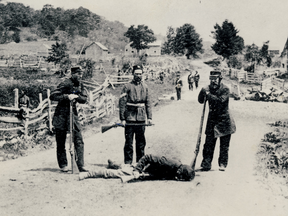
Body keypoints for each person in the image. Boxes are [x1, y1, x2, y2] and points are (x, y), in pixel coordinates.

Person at [50, 66, 88, 172]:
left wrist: (76, 97)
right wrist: (67, 97)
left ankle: (80, 165)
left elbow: (84, 99)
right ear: (73, 74)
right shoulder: (65, 83)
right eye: (78, 74)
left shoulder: (80, 84)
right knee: (61, 141)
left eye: (81, 74)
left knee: (79, 139)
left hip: (73, 114)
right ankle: (63, 165)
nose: (80, 76)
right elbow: (53, 96)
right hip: (61, 114)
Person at [198, 71, 236, 171]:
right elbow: (201, 101)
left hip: (224, 121)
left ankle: (222, 164)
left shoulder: (225, 89)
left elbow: (219, 102)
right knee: (208, 144)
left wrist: (208, 94)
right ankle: (206, 163)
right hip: (212, 121)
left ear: (220, 79)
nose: (213, 81)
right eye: (211, 79)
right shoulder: (208, 89)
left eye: (215, 79)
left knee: (224, 145)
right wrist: (202, 91)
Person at [119, 65, 152, 164]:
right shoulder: (127, 86)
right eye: (136, 73)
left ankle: (140, 163)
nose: (138, 75)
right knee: (129, 142)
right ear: (133, 74)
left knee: (141, 142)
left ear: (142, 74)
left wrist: (149, 117)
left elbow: (148, 103)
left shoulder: (145, 87)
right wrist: (122, 118)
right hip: (130, 117)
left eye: (140, 74)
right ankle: (128, 163)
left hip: (141, 118)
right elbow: (122, 103)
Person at [79, 154, 195, 182]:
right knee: (113, 174)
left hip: (145, 171)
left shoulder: (176, 167)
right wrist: (137, 171)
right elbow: (148, 157)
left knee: (125, 167)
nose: (178, 178)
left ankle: (114, 164)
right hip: (142, 169)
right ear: (180, 171)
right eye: (180, 177)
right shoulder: (169, 163)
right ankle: (88, 174)